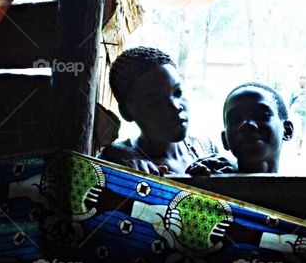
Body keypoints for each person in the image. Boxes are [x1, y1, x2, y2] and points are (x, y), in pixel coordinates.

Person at [99, 46, 231, 176]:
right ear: (126, 112)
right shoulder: (115, 162)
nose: (175, 107)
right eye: (156, 102)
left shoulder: (205, 149)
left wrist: (234, 168)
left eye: (178, 92)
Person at [220, 82, 294, 174]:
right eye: (235, 119)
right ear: (224, 140)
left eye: (262, 115)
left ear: (287, 130)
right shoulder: (205, 182)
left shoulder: (305, 187)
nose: (247, 124)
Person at [288, 75, 306, 155]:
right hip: (297, 113)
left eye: (304, 78)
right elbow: (290, 102)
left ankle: (299, 147)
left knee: (303, 133)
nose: (302, 80)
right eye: (301, 78)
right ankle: (297, 149)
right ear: (298, 80)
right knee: (299, 131)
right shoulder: (295, 91)